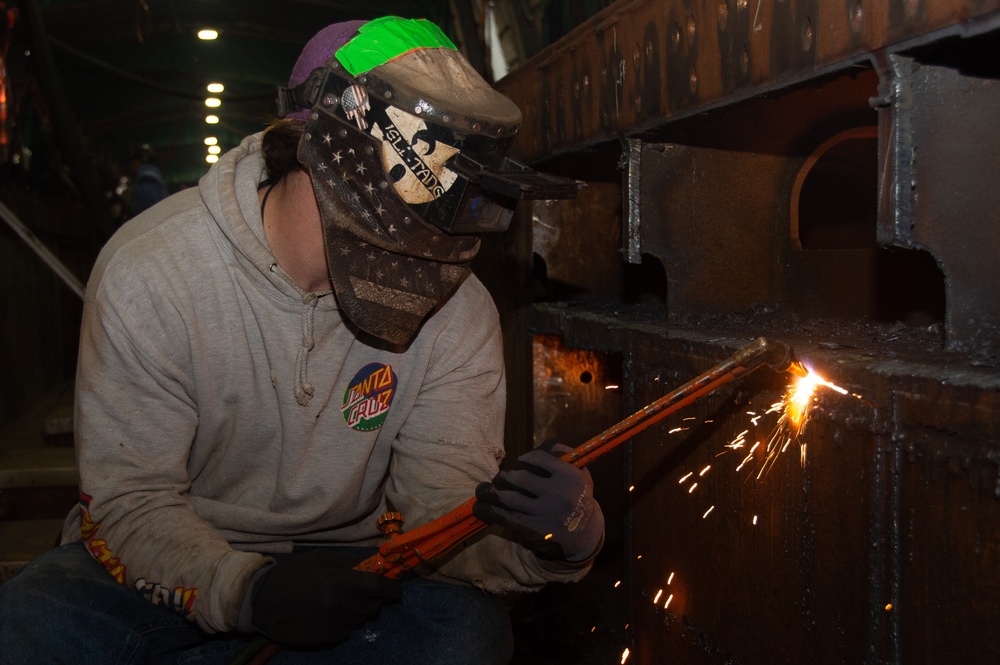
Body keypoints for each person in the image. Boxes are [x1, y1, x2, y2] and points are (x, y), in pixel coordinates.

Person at [0, 16, 603, 665]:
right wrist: (249, 592)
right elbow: (132, 502)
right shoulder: (154, 270)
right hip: (177, 549)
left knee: (466, 635)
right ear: (312, 143)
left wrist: (551, 540)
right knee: (35, 621)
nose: (429, 241)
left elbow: (440, 512)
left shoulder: (457, 307)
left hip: (353, 557)